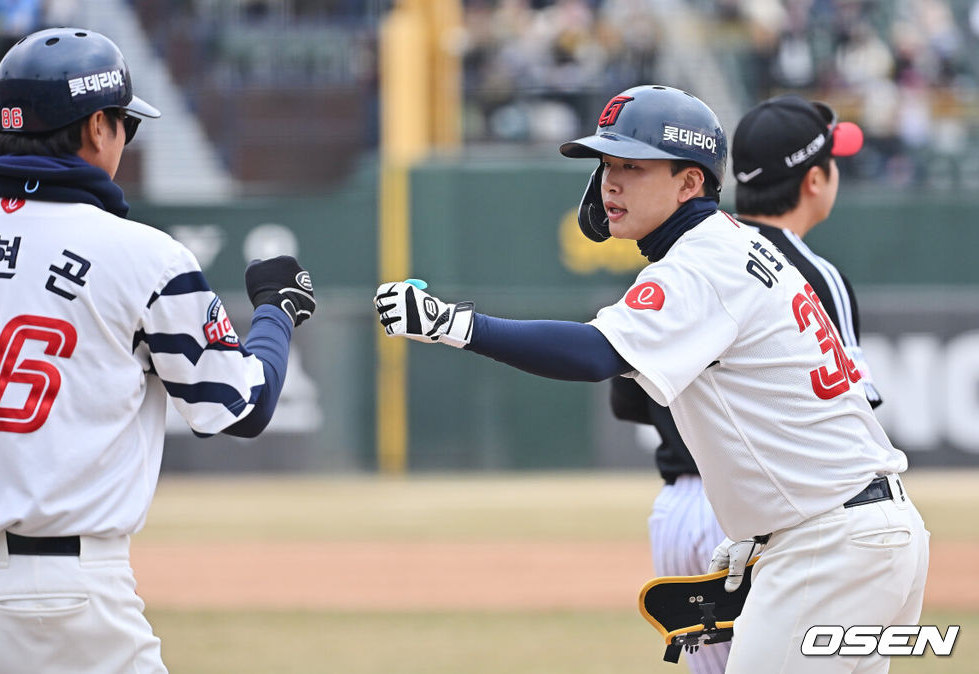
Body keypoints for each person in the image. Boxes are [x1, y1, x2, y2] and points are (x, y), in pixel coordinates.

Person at [373, 84, 929, 673]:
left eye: (633, 167)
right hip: (858, 534)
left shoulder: (702, 263)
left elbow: (595, 355)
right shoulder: (731, 246)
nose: (610, 183)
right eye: (608, 165)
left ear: (690, 183)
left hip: (830, 545)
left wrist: (455, 324)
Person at [0, 28, 315, 673]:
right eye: (126, 123)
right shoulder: (144, 256)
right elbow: (241, 406)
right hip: (57, 596)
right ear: (98, 126)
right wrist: (276, 312)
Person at [607, 91, 887, 674]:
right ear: (816, 179)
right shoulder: (806, 273)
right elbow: (849, 413)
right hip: (765, 514)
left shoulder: (686, 253)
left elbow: (628, 397)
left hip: (678, 506)